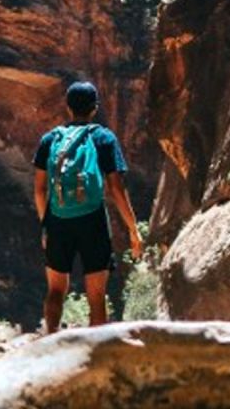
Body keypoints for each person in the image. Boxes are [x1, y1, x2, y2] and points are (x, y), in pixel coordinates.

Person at [33, 81, 142, 334]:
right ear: (94, 108)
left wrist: (45, 225)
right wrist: (133, 229)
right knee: (96, 296)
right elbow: (116, 189)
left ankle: (51, 341)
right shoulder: (103, 137)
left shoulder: (50, 139)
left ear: (68, 107)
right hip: (93, 220)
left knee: (56, 290)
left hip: (58, 220)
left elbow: (39, 189)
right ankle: (95, 351)